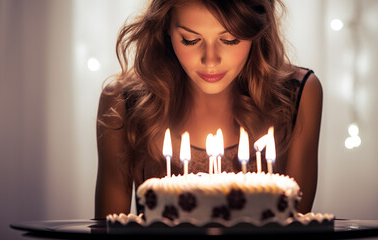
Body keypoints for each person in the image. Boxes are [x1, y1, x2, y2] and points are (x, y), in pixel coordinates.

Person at [95, 0, 323, 219]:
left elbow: (297, 228)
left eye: (230, 39)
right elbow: (108, 229)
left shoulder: (297, 95)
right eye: (190, 39)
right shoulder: (122, 102)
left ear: (256, 30)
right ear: (165, 28)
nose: (210, 60)